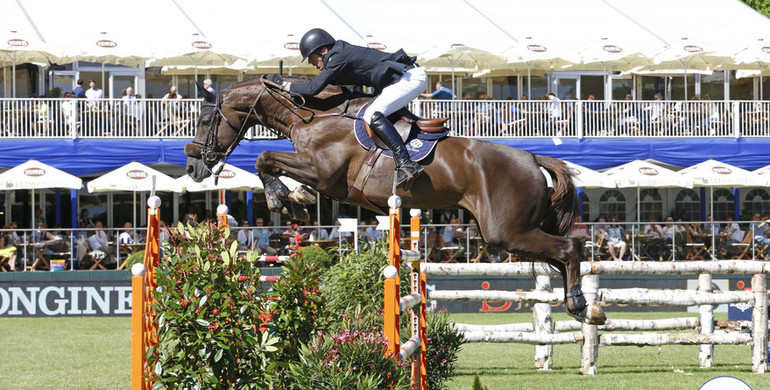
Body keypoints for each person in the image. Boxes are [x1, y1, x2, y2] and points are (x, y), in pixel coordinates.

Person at [266, 28, 427, 190]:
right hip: (398, 81)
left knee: (372, 114)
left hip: (409, 78)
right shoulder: (338, 54)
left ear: (323, 50)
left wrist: (284, 85)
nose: (311, 63)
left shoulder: (338, 56)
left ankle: (406, 163)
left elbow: (314, 87)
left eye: (312, 58)